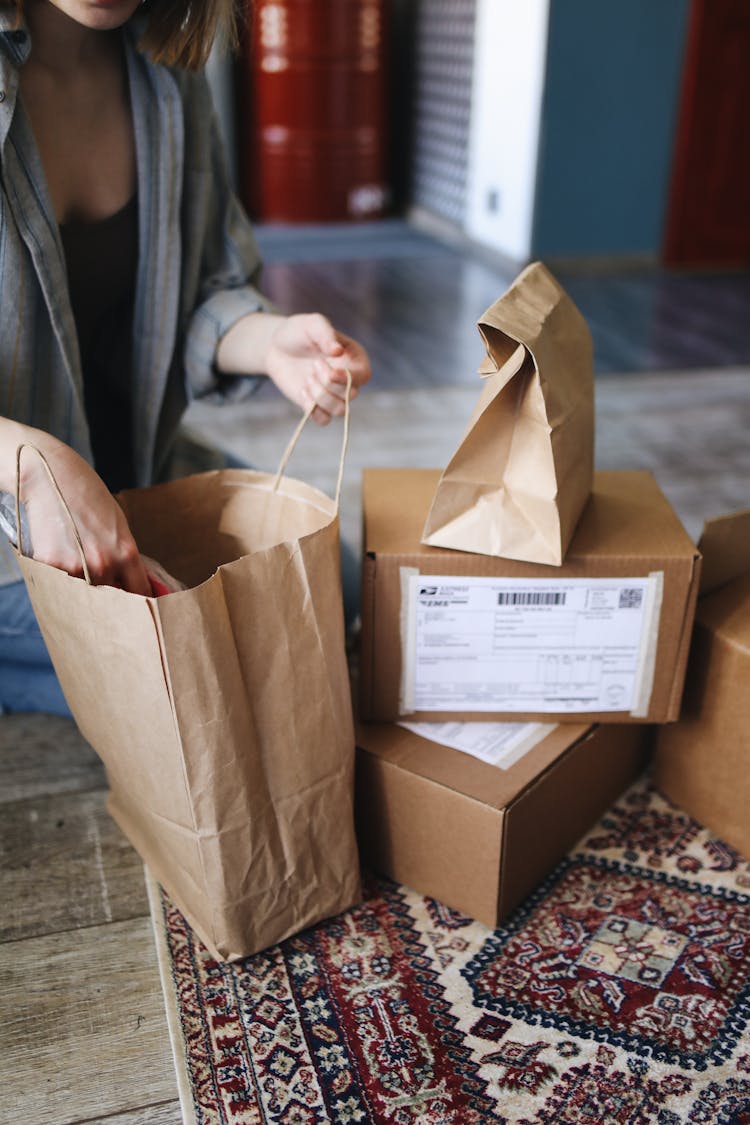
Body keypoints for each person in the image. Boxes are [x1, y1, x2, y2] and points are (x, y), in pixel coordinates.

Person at [0, 0, 371, 715]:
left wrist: (272, 342)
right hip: (13, 511)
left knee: (333, 585)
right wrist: (30, 464)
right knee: (206, 670)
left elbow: (206, 286)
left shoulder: (167, 74)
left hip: (128, 468)